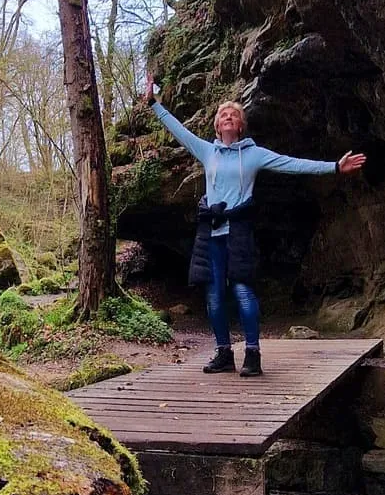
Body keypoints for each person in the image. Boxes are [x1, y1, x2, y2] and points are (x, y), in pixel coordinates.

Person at [145, 77, 365, 376]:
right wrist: (153, 104)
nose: (228, 117)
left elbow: (293, 164)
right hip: (211, 232)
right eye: (223, 114)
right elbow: (178, 130)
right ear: (216, 125)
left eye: (233, 115)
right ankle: (223, 353)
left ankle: (252, 353)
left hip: (238, 231)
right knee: (213, 296)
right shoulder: (206, 151)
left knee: (243, 291)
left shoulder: (254, 154)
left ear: (240, 125)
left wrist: (335, 167)